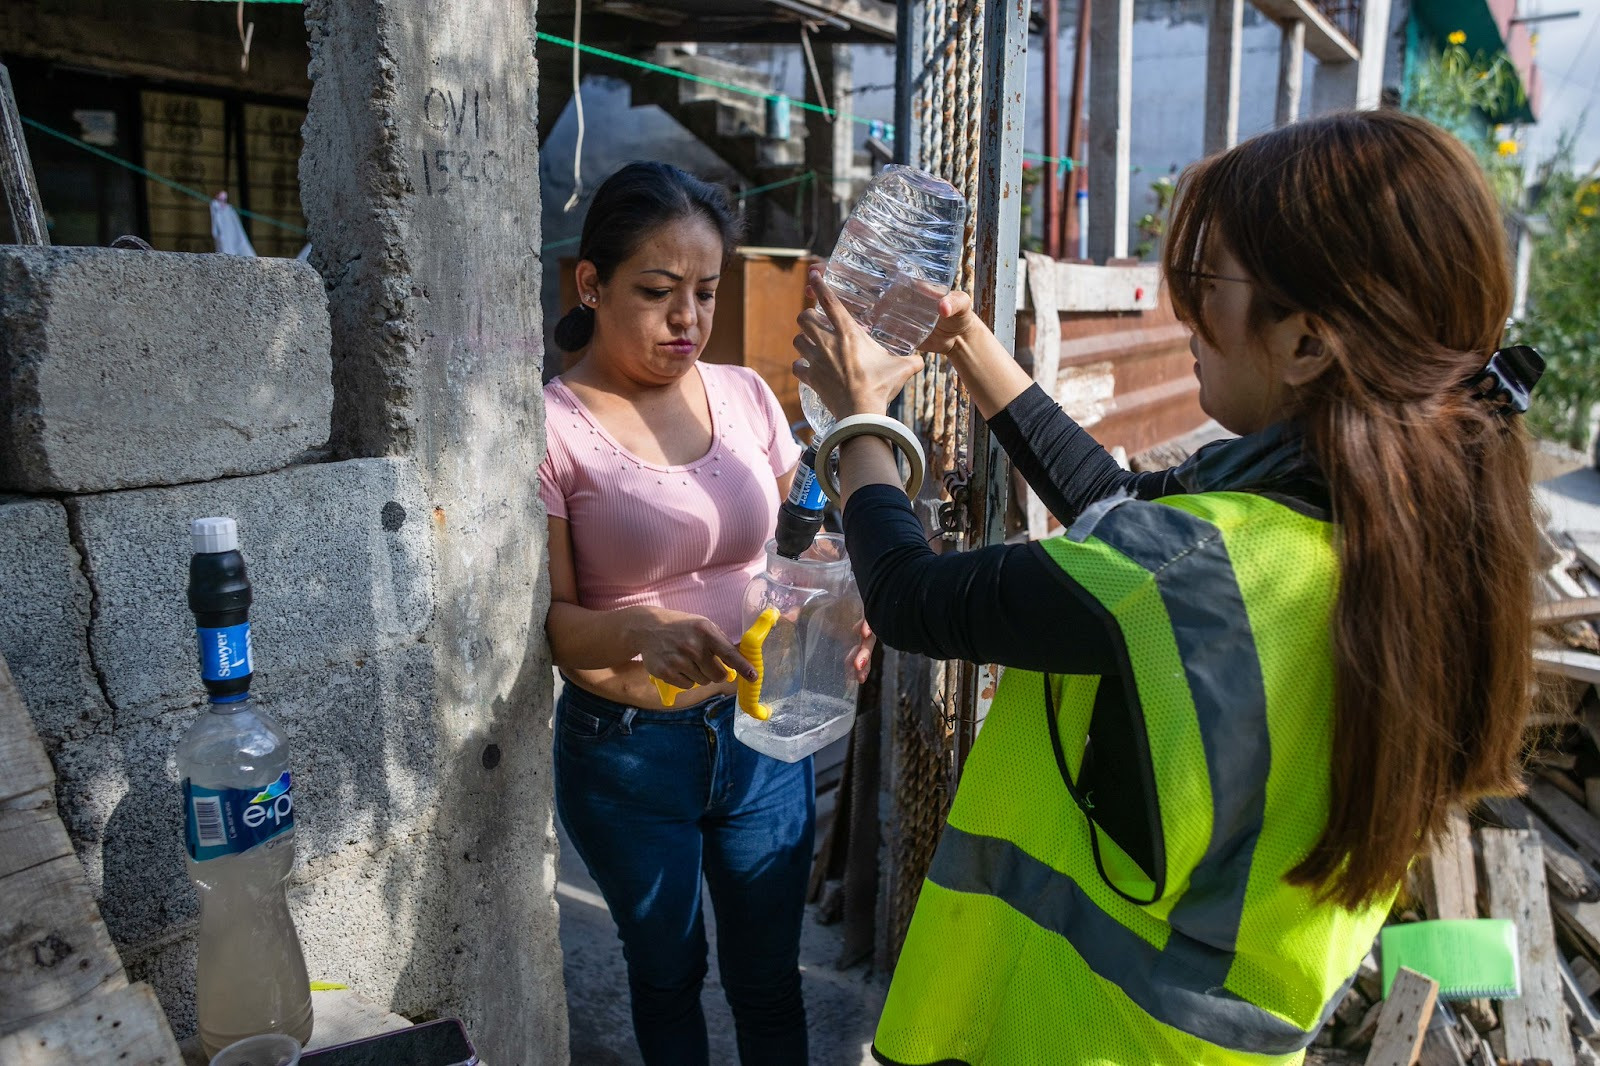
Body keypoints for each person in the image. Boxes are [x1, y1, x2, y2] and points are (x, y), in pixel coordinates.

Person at [793, 110, 1538, 1064]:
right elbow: (1118, 509)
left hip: (1065, 1031)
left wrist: (862, 423)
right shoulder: (1408, 532)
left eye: (1207, 284)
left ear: (1308, 343)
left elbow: (909, 599)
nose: (1184, 315)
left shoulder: (1196, 568)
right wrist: (970, 341)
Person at [541, 161, 862, 1065]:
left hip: (762, 734)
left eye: (706, 292)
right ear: (593, 284)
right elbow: (557, 626)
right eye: (658, 291)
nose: (688, 320)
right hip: (629, 753)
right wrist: (643, 632)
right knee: (667, 975)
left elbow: (804, 539)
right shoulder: (553, 428)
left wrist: (845, 599)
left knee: (769, 980)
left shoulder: (746, 395)